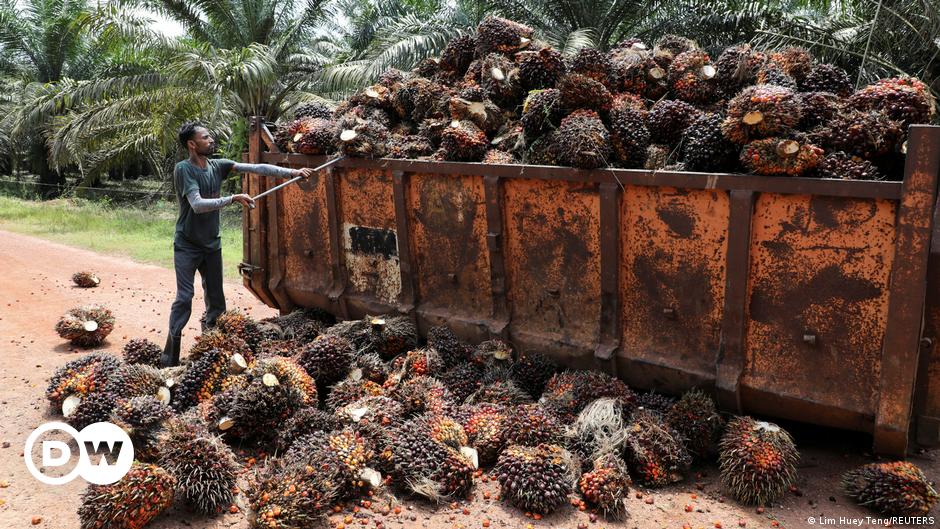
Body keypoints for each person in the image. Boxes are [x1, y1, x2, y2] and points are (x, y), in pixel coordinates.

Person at [161, 121, 315, 367]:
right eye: (205, 137)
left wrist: (291, 173)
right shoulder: (184, 170)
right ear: (192, 144)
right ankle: (169, 359)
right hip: (188, 245)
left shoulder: (217, 166)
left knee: (216, 299)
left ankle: (210, 351)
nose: (211, 140)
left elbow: (257, 168)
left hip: (211, 244)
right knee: (184, 297)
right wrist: (233, 198)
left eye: (210, 136)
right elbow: (197, 205)